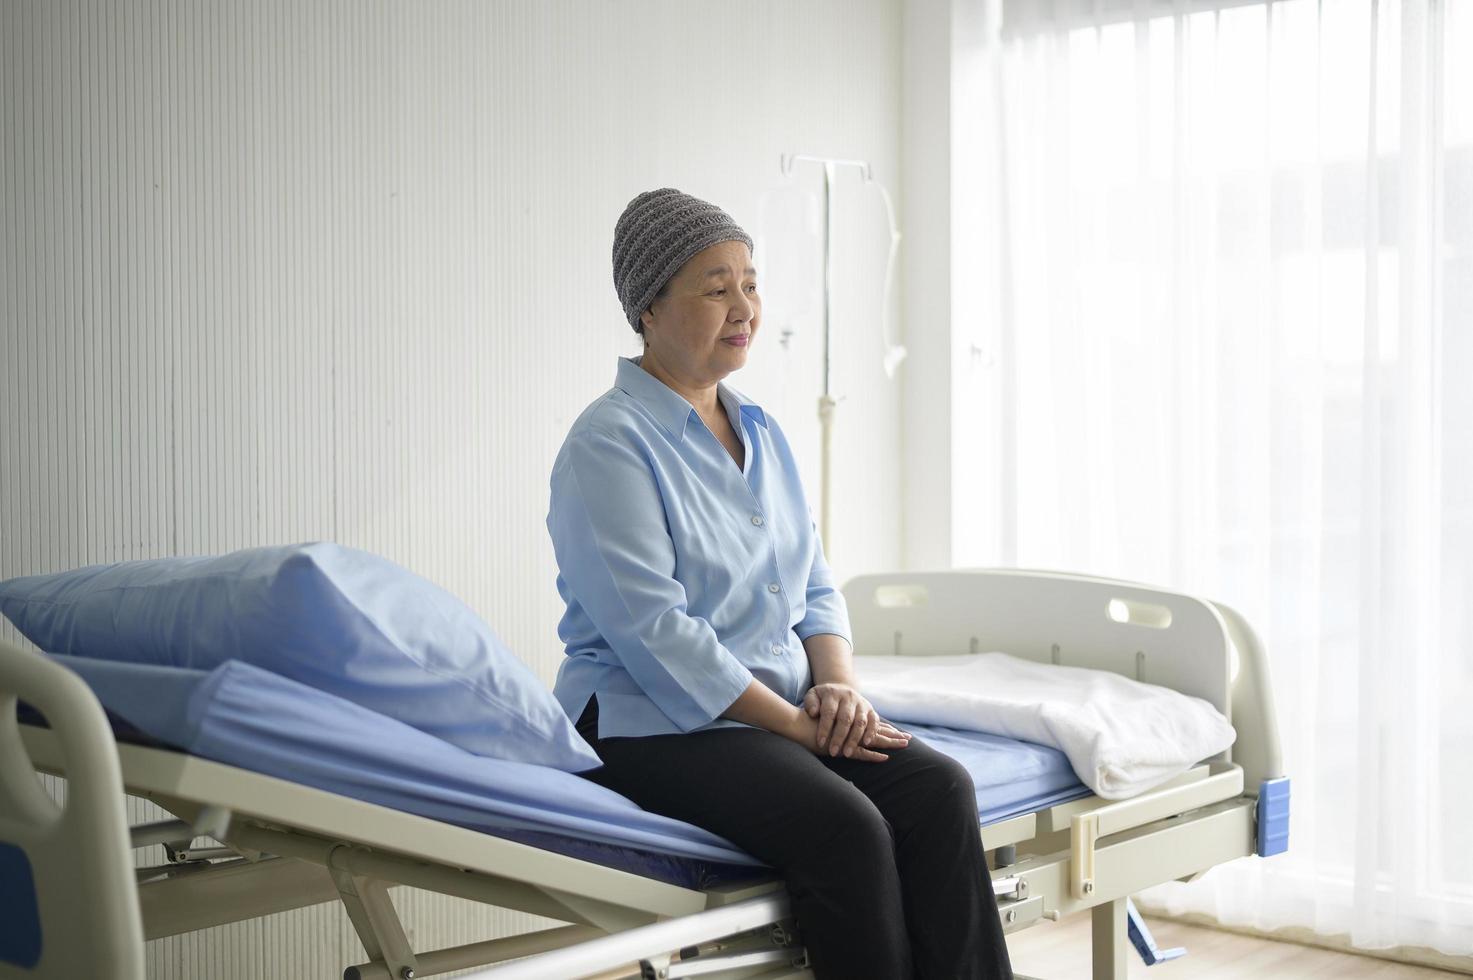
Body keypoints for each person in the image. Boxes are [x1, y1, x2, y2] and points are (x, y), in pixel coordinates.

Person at [545, 187, 1013, 980]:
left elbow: (815, 583)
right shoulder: (608, 444)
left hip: (773, 712)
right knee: (846, 827)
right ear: (648, 307)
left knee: (938, 789)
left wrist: (836, 689)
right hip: (648, 726)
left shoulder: (758, 427)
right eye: (714, 286)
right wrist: (796, 728)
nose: (744, 307)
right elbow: (659, 638)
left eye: (751, 283)